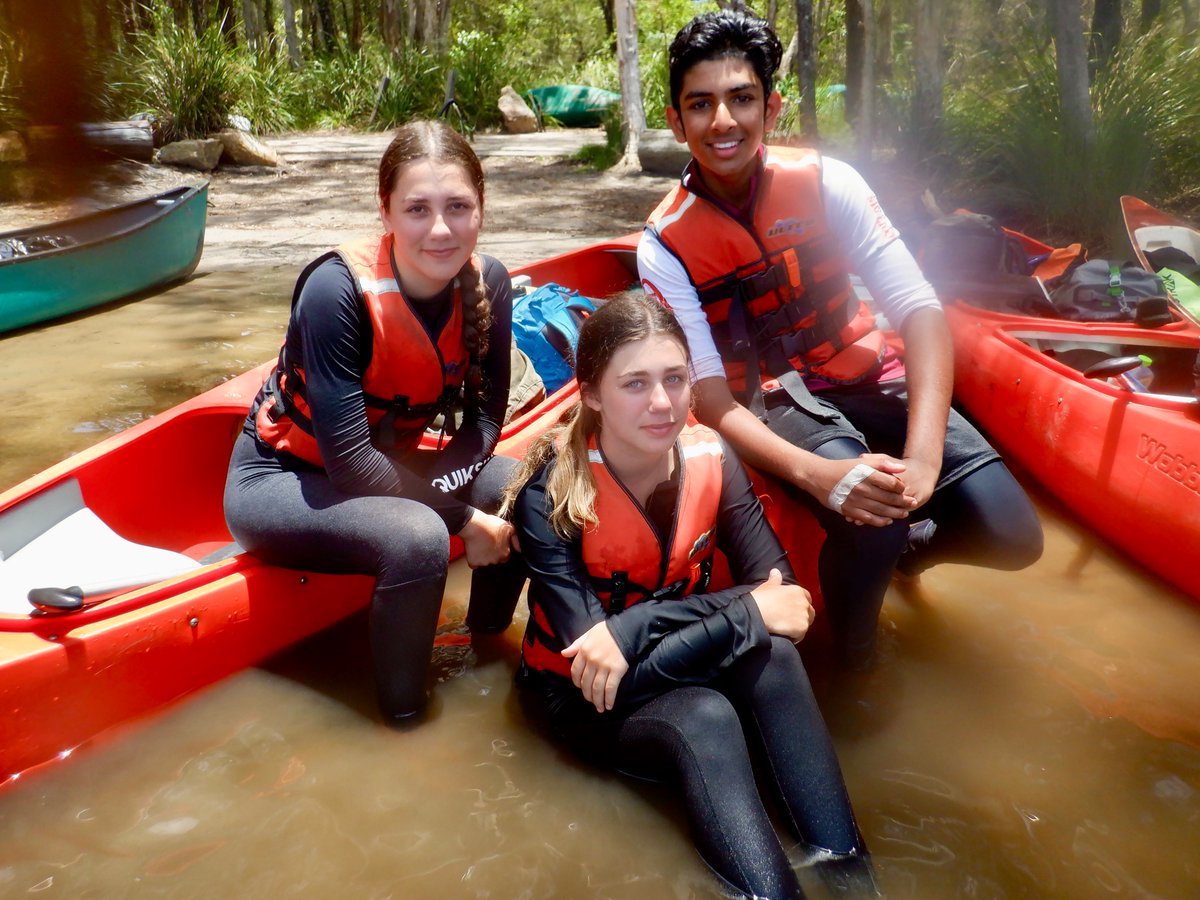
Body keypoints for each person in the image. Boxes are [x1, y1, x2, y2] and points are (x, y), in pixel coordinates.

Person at [637, 10, 1043, 669]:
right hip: (768, 396)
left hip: (862, 371)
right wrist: (820, 476)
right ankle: (856, 659)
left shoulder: (830, 183)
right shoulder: (663, 244)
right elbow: (708, 396)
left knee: (1013, 533)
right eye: (701, 105)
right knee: (871, 525)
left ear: (773, 106)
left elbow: (919, 311)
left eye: (741, 99)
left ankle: (913, 552)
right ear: (676, 120)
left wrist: (924, 462)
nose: (723, 122)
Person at [503, 294, 871, 899]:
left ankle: (854, 876)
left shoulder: (713, 456)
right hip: (581, 699)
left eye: (675, 379)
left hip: (669, 657)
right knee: (705, 715)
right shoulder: (548, 499)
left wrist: (633, 628)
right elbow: (598, 677)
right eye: (635, 383)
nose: (661, 403)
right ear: (592, 393)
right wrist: (743, 612)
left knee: (774, 658)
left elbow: (789, 602)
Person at [223, 120, 525, 722]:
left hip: (394, 469)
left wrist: (455, 493)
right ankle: (404, 720)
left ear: (481, 212)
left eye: (458, 207)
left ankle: (482, 652)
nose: (440, 229)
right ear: (385, 211)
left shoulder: (489, 281)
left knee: (524, 488)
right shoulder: (335, 292)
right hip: (284, 479)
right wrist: (462, 520)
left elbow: (486, 419)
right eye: (417, 209)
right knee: (417, 539)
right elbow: (351, 462)